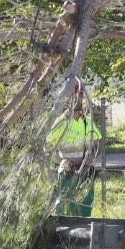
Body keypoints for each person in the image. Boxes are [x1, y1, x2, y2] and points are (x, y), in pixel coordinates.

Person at [48, 85, 103, 217]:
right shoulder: (61, 122)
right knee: (64, 203)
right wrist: (61, 162)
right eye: (73, 96)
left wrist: (91, 159)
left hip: (85, 171)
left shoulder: (87, 122)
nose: (76, 99)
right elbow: (48, 146)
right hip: (67, 171)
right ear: (66, 100)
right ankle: (61, 230)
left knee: (85, 203)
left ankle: (84, 230)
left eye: (79, 96)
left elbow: (97, 144)